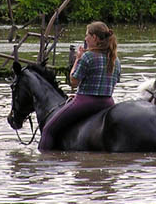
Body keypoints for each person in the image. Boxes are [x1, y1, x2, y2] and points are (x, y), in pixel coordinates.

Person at [38, 21, 120, 151]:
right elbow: (115, 82)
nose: (86, 38)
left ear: (94, 38)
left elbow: (73, 81)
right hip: (108, 102)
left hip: (85, 102)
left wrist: (77, 59)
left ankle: (44, 161)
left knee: (48, 129)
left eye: (87, 35)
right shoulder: (115, 60)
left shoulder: (87, 57)